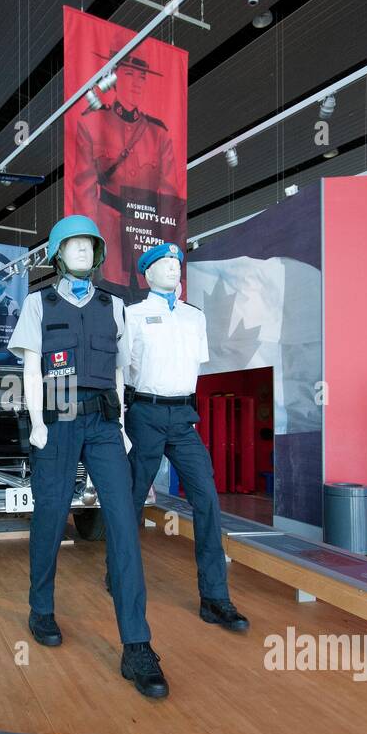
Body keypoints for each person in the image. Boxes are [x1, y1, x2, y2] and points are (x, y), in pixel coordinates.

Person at [8, 214, 168, 699]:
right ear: (57, 252)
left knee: (123, 522)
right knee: (51, 518)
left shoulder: (114, 306)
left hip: (103, 424)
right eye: (72, 244)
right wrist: (36, 424)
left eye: (88, 245)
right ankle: (41, 608)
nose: (81, 251)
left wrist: (120, 428)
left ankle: (137, 645)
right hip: (55, 423)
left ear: (97, 253)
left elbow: (120, 374)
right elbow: (32, 371)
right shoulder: (39, 304)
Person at [120, 243, 249, 633]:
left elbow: (194, 367)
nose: (173, 269)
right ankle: (119, 576)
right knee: (130, 501)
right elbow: (125, 370)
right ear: (148, 274)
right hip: (145, 411)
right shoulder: (133, 315)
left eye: (176, 263)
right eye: (163, 263)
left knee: (207, 499)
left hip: (183, 415)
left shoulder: (195, 318)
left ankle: (215, 598)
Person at [70, 53, 179, 294]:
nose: (136, 83)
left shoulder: (158, 134)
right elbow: (83, 193)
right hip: (109, 236)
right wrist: (88, 247)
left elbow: (170, 198)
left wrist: (168, 252)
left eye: (142, 77)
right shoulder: (93, 124)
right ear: (116, 80)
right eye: (129, 75)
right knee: (109, 305)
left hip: (147, 239)